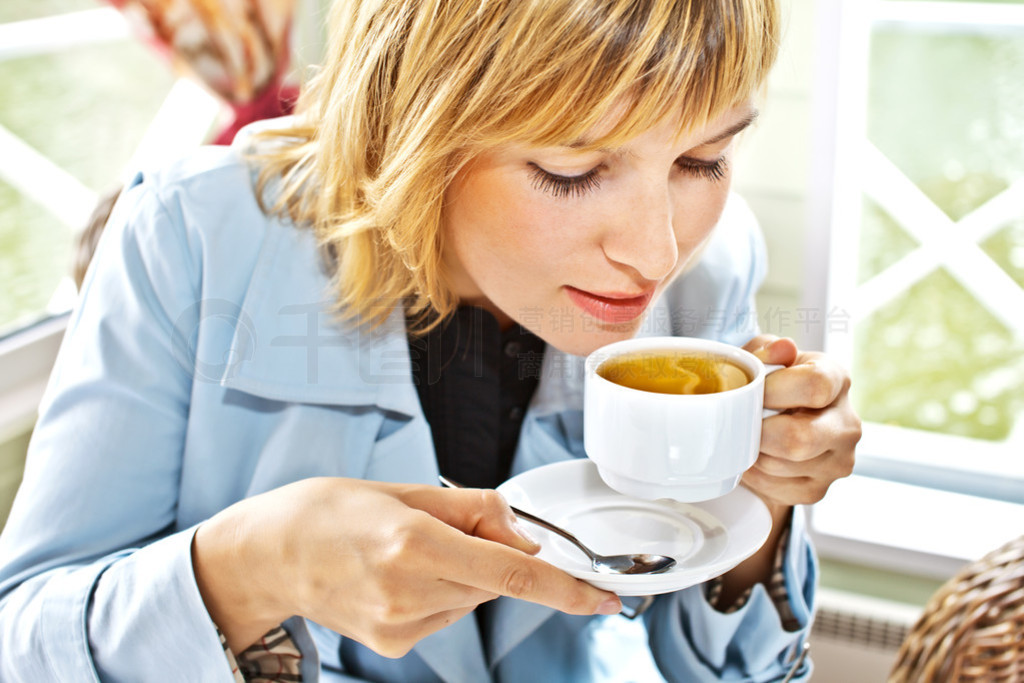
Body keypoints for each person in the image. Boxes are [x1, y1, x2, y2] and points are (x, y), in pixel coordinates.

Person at [0, 0, 861, 680]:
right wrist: (250, 569)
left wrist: (764, 502)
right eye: (571, 170)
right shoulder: (189, 236)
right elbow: (21, 642)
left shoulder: (713, 267)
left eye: (703, 160)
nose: (657, 253)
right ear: (412, 129)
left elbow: (733, 670)